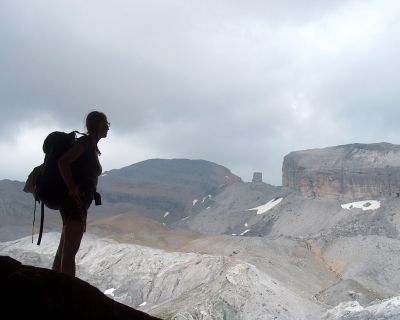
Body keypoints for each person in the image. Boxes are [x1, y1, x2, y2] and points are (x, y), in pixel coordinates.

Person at [52, 111, 110, 276]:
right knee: (70, 250)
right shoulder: (85, 142)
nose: (107, 127)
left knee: (65, 247)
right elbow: (63, 162)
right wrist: (72, 189)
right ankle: (66, 294)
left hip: (76, 202)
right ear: (96, 125)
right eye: (105, 123)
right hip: (74, 202)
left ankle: (51, 287)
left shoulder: (91, 145)